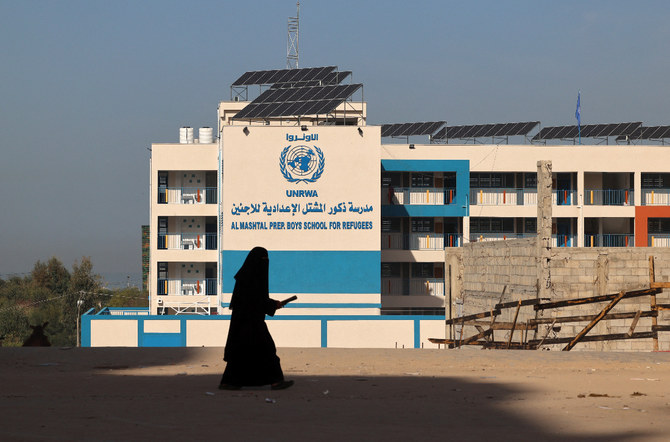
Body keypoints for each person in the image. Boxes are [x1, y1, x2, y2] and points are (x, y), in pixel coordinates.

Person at [219, 247, 294, 390]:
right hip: (252, 323)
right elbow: (254, 300)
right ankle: (276, 381)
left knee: (240, 354)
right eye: (263, 260)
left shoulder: (245, 277)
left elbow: (255, 299)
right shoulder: (251, 279)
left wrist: (270, 304)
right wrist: (272, 304)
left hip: (243, 323)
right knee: (267, 350)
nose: (265, 263)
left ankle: (228, 381)